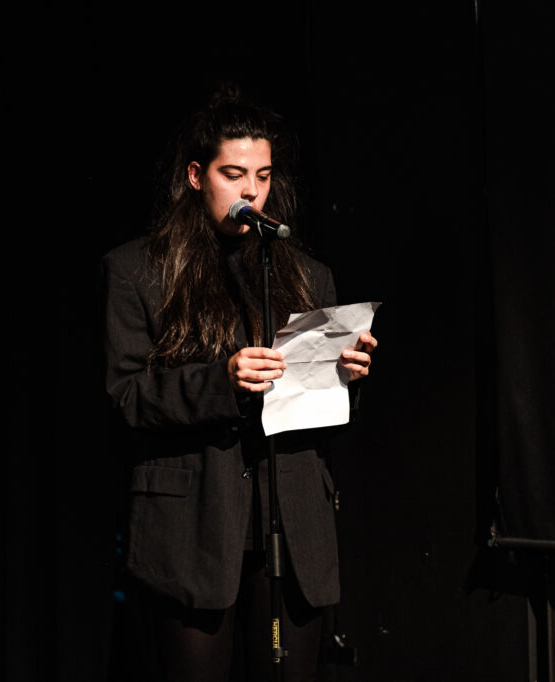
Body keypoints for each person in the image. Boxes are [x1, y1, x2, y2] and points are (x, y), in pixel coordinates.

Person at [101, 87, 377, 682]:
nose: (251, 191)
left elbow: (323, 410)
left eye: (263, 176)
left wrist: (346, 378)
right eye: (233, 174)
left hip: (291, 522)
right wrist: (220, 382)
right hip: (193, 526)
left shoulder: (306, 275)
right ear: (196, 176)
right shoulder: (138, 270)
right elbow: (125, 398)